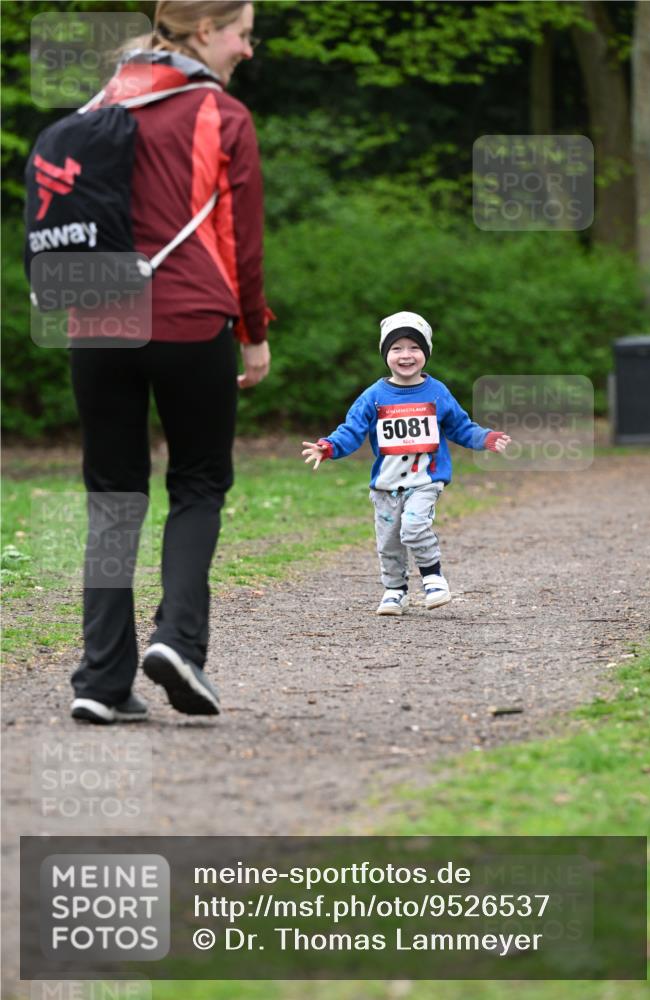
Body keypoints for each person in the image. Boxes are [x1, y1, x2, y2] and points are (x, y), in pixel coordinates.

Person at [68, 1, 273, 724]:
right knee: (198, 481)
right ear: (204, 32)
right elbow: (240, 242)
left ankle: (100, 680)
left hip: (94, 319)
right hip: (188, 318)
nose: (248, 50)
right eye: (243, 34)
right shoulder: (222, 116)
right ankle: (178, 641)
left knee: (113, 499)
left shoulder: (101, 102)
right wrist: (253, 332)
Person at [302, 312, 511, 616]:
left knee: (413, 528)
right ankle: (395, 590)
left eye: (414, 347)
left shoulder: (437, 392)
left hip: (426, 480)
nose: (406, 355)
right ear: (385, 354)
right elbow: (352, 430)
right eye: (396, 348)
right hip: (386, 485)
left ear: (425, 352)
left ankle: (433, 578)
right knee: (389, 544)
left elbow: (460, 426)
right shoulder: (373, 396)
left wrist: (485, 438)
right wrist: (329, 446)